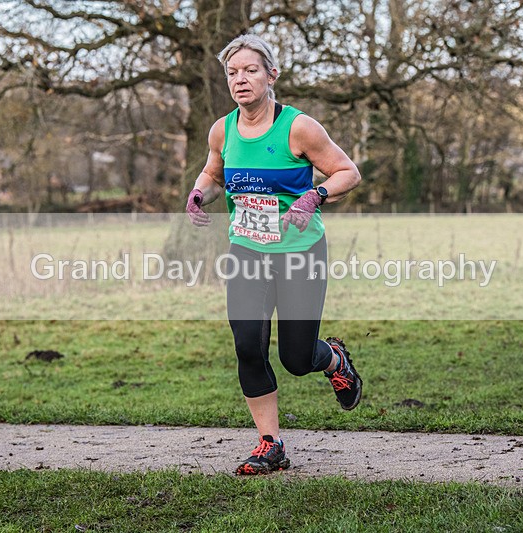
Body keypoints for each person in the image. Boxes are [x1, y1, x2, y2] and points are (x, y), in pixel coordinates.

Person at [186, 34, 362, 475]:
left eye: (250, 70)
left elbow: (347, 172)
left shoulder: (299, 128)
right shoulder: (222, 130)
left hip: (300, 253)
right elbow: (213, 174)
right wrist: (199, 193)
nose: (240, 80)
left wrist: (315, 195)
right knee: (248, 345)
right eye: (232, 73)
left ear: (271, 76)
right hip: (247, 251)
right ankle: (271, 444)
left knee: (296, 359)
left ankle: (333, 359)